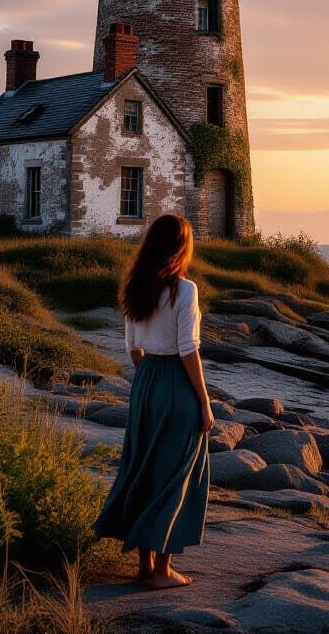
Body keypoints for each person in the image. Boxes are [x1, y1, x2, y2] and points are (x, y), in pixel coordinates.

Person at [94, 214, 214, 589]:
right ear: (181, 248)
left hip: (144, 382)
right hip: (176, 383)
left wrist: (149, 378)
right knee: (173, 474)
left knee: (144, 468)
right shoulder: (184, 290)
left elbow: (133, 348)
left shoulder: (135, 287)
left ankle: (145, 567)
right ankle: (162, 571)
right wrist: (205, 402)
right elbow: (188, 350)